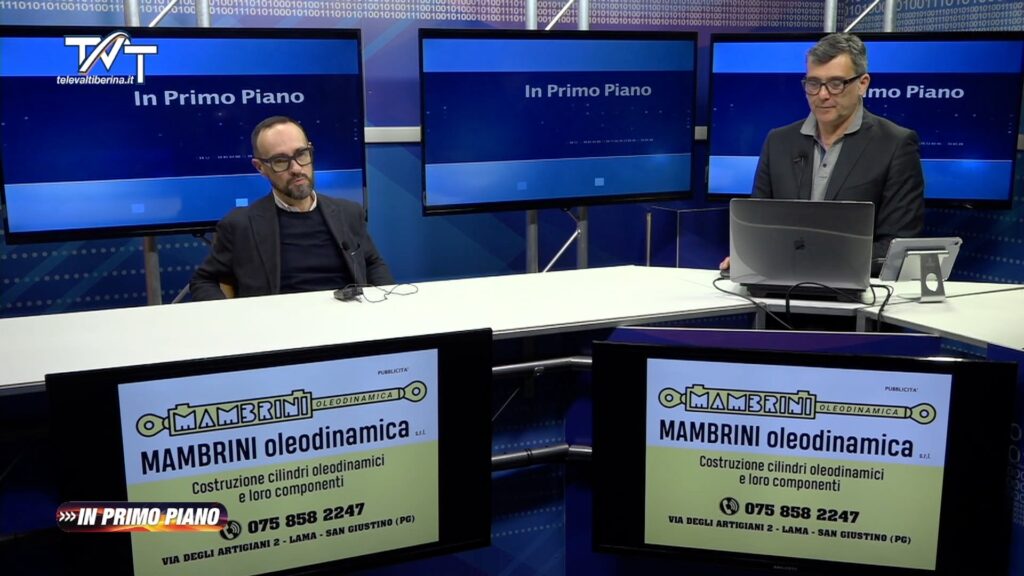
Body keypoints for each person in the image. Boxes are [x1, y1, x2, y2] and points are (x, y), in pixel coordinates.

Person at [721, 33, 924, 274]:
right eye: (813, 83)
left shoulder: (895, 144)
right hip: (779, 285)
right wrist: (748, 256)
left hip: (854, 288)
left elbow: (896, 244)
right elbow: (756, 228)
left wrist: (814, 261)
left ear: (862, 84)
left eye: (836, 84)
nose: (823, 95)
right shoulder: (778, 141)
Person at [190, 116, 393, 301]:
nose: (296, 168)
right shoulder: (240, 225)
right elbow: (203, 281)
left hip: (347, 319)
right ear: (260, 167)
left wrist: (388, 308)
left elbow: (372, 264)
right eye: (280, 161)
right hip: (279, 324)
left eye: (301, 154)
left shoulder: (348, 213)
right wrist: (231, 318)